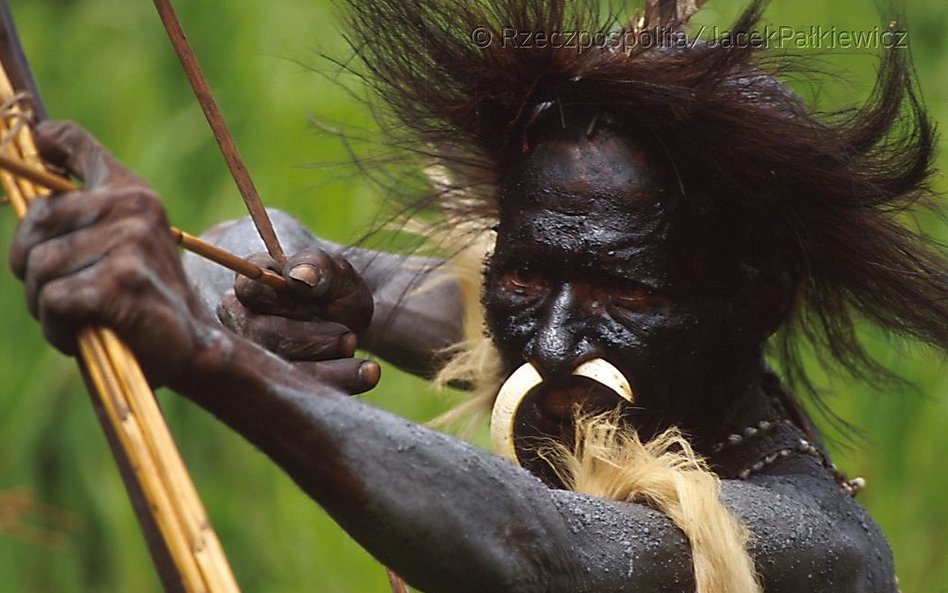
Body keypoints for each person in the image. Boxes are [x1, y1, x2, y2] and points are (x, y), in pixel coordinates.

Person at [9, 0, 946, 591]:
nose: (553, 341)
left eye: (623, 289)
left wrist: (205, 355)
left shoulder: (816, 545)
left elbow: (546, 551)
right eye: (526, 276)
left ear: (756, 295)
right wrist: (262, 285)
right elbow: (246, 253)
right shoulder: (548, 341)